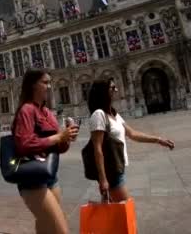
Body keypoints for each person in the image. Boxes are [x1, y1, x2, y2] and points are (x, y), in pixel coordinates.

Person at [12, 68, 79, 234]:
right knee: (61, 230)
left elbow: (59, 148)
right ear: (33, 85)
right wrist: (58, 137)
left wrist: (67, 137)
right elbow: (24, 145)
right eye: (45, 82)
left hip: (50, 175)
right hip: (31, 178)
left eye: (49, 82)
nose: (49, 86)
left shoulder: (48, 112)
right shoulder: (26, 110)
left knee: (46, 226)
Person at [87, 79, 174, 202]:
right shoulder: (98, 115)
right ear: (103, 92)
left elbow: (132, 134)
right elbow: (97, 148)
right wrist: (103, 179)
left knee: (117, 212)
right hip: (111, 173)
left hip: (118, 168)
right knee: (126, 209)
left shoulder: (113, 113)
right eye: (112, 88)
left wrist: (158, 140)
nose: (116, 90)